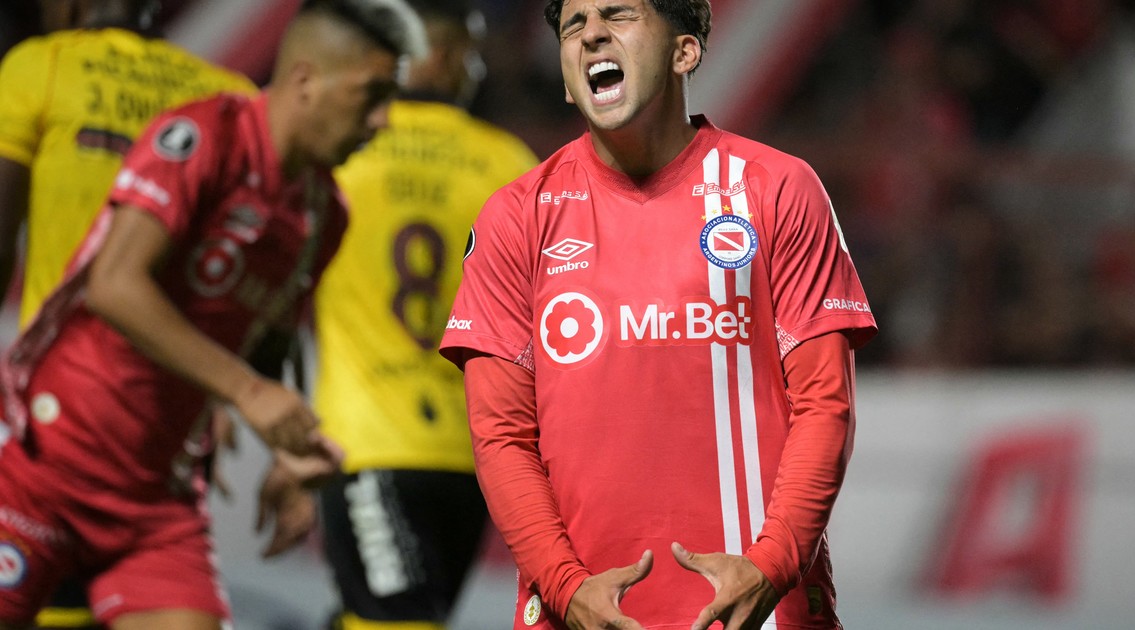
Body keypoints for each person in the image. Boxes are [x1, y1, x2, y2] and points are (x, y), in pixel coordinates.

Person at [439, 0, 878, 628]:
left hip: (761, 609)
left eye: (617, 14)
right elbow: (500, 435)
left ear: (684, 51)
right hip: (577, 613)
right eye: (573, 26)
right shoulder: (517, 217)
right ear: (566, 80)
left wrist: (772, 564)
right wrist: (566, 588)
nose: (591, 34)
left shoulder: (777, 189)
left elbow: (824, 404)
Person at [0, 0, 426, 628]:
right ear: (306, 80)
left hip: (157, 498)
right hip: (51, 461)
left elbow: (265, 346)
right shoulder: (205, 135)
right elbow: (114, 285)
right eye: (372, 95)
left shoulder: (322, 214)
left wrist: (288, 449)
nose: (384, 120)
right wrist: (248, 393)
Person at [0, 2, 256, 628]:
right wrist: (231, 390)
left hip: (56, 415)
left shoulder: (43, 66)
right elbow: (252, 275)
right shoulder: (232, 101)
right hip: (166, 431)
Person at [312, 1, 539, 627]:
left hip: (366, 439)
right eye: (470, 55)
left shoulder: (345, 149)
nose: (476, 71)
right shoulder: (510, 165)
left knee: (394, 617)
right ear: (438, 56)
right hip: (474, 455)